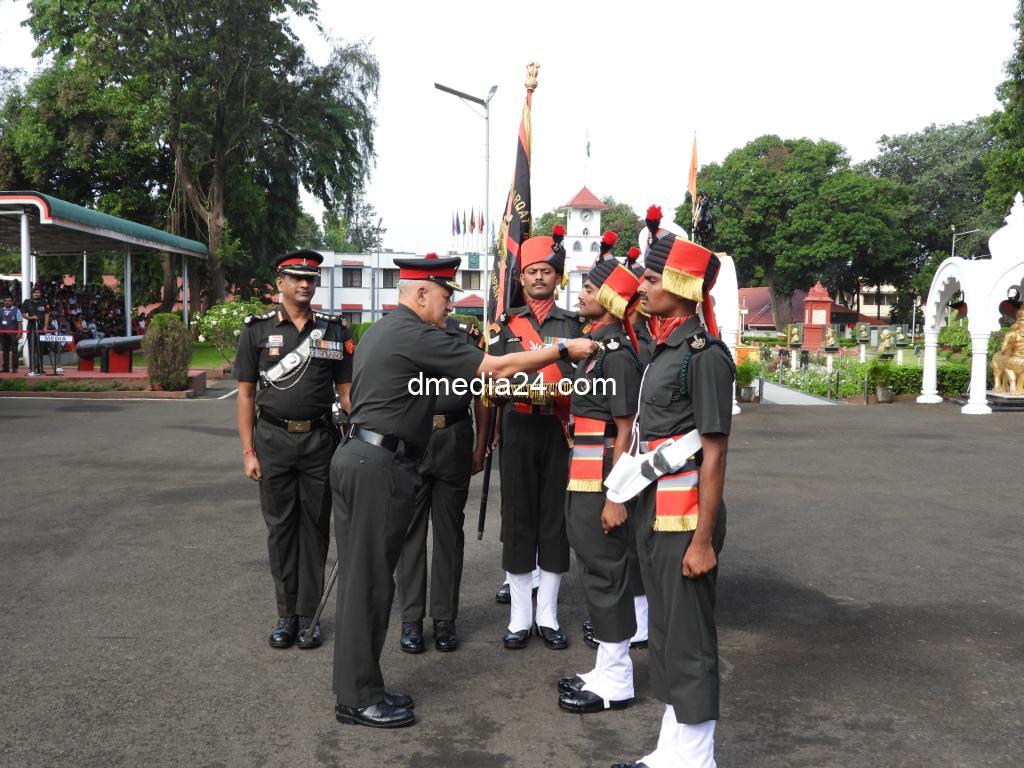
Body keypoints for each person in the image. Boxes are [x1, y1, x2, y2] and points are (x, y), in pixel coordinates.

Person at [330, 253, 598, 728]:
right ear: (419, 294)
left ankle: (362, 687)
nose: (450, 306)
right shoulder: (413, 331)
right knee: (368, 584)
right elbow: (496, 367)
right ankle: (358, 697)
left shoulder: (386, 331)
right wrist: (562, 352)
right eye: (445, 296)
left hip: (366, 458)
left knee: (365, 581)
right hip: (379, 465)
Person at [610, 231, 735, 768]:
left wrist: (703, 540)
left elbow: (714, 453)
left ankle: (698, 759)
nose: (642, 285)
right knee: (663, 637)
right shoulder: (666, 348)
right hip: (655, 512)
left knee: (688, 643)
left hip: (685, 521)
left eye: (653, 278)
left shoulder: (704, 356)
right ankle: (670, 752)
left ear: (682, 285)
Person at [234, 249, 353, 651]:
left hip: (320, 441)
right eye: (296, 277)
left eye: (311, 278)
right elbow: (246, 394)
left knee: (315, 530)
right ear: (280, 283)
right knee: (281, 529)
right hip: (273, 441)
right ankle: (285, 614)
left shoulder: (334, 330)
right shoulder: (256, 330)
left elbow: (347, 393)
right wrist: (249, 450)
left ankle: (309, 614)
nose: (305, 284)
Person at [556, 241, 646, 716]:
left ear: (610, 298)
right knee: (594, 568)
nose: (580, 295)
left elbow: (628, 429)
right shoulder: (597, 347)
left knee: (609, 572)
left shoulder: (617, 355)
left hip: (602, 480)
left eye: (589, 289)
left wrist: (616, 494)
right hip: (583, 473)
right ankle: (605, 664)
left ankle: (618, 677)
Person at [486, 226, 583, 651]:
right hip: (519, 428)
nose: (539, 278)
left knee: (554, 521)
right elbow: (489, 382)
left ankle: (548, 614)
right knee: (519, 517)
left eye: (546, 271)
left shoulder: (576, 326)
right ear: (521, 279)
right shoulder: (504, 326)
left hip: (559, 430)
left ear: (557, 278)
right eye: (532, 272)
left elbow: (584, 380)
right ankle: (520, 617)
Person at [395, 316, 487, 654]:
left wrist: (481, 444)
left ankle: (445, 618)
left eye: (449, 292)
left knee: (450, 534)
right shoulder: (402, 334)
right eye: (441, 292)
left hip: (454, 438)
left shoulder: (465, 337)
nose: (446, 300)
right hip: (411, 440)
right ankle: (411, 619)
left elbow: (481, 392)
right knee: (410, 535)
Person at [21, 286, 49, 376]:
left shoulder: (44, 302)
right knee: (32, 348)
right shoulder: (27, 302)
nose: (36, 294)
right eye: (35, 292)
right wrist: (30, 317)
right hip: (32, 326)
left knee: (40, 348)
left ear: (40, 293)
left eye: (38, 292)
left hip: (41, 326)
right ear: (32, 293)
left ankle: (40, 368)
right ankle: (32, 369)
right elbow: (23, 314)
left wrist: (45, 326)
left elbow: (47, 314)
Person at [0, 295, 22, 373]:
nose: (7, 302)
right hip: (3, 334)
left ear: (12, 302)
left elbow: (19, 322)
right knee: (5, 351)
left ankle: (15, 368)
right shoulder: (0, 310)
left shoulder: (17, 310)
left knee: (14, 351)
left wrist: (19, 333)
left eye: (9, 301)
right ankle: (5, 367)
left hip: (14, 333)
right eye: (5, 301)